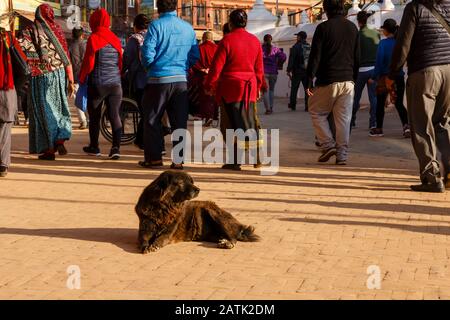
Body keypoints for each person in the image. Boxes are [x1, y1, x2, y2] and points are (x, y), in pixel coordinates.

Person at [390, 0, 450, 193]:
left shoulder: (415, 7)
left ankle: (431, 177)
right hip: (449, 70)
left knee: (421, 125)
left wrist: (393, 73)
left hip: (425, 71)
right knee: (443, 122)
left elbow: (403, 44)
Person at [139, 0, 199, 169]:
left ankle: (154, 158)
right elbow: (195, 54)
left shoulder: (156, 26)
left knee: (152, 119)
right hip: (180, 80)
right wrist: (183, 67)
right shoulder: (188, 28)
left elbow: (147, 52)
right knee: (179, 122)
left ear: (159, 7)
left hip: (158, 80)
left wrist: (150, 67)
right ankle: (178, 161)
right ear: (175, 7)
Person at [204, 9, 265, 171]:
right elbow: (259, 69)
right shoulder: (255, 41)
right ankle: (257, 156)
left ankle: (235, 161)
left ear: (230, 23)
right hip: (249, 87)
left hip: (229, 88)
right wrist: (259, 86)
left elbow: (216, 67)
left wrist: (209, 85)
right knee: (250, 122)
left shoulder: (227, 40)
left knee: (229, 125)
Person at [306, 0, 360, 166]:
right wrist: (354, 79)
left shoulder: (323, 28)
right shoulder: (353, 28)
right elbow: (358, 57)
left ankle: (328, 145)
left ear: (326, 10)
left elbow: (315, 56)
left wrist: (309, 79)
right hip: (348, 80)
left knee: (316, 111)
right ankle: (342, 155)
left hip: (327, 79)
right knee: (343, 119)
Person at [20, 4, 74, 161]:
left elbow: (24, 50)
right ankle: (61, 136)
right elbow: (66, 56)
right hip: (59, 73)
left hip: (41, 75)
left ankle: (49, 148)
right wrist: (70, 79)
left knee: (44, 112)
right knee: (59, 107)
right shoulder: (57, 29)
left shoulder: (31, 28)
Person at [79, 8, 123, 160]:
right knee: (114, 115)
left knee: (95, 116)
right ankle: (116, 148)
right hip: (115, 84)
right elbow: (120, 63)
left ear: (94, 21)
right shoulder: (116, 39)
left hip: (98, 84)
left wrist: (82, 78)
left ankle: (94, 147)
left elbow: (88, 63)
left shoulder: (94, 38)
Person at [370, 19, 409, 138]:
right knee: (399, 103)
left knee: (380, 104)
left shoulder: (383, 44)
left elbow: (379, 62)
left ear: (386, 30)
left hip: (384, 78)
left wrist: (374, 76)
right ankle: (406, 127)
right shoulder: (400, 43)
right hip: (398, 76)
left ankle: (379, 128)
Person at [123, 14, 150, 150]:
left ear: (135, 26)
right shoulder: (152, 36)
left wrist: (123, 70)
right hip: (154, 78)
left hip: (140, 80)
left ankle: (141, 140)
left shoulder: (134, 39)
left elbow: (126, 58)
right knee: (149, 110)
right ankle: (142, 139)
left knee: (145, 111)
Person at [0, 28, 24, 177]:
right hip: (7, 89)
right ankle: (2, 164)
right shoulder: (8, 38)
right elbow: (23, 66)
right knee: (5, 130)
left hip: (8, 88)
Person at [351, 11, 379, 131]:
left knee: (355, 98)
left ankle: (351, 121)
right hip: (373, 69)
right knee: (373, 98)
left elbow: (354, 55)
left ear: (358, 21)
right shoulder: (376, 34)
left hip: (361, 70)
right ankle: (373, 123)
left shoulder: (357, 35)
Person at [189, 31, 218, 125]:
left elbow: (193, 62)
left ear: (203, 38)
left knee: (203, 97)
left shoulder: (198, 48)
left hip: (201, 76)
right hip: (214, 76)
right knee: (213, 96)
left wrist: (202, 69)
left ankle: (206, 116)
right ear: (212, 38)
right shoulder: (216, 48)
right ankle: (213, 115)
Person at [69, 27, 88, 130]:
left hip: (76, 76)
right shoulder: (86, 44)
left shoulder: (71, 47)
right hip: (87, 75)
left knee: (78, 99)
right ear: (82, 35)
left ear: (72, 35)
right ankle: (90, 120)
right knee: (89, 98)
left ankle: (83, 121)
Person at [262, 34, 286, 115]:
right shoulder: (275, 49)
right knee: (272, 90)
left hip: (264, 72)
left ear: (264, 40)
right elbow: (283, 56)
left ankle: (268, 109)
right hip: (273, 72)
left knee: (265, 91)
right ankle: (271, 107)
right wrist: (279, 64)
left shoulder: (261, 49)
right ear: (271, 40)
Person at [287, 31, 310, 112]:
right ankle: (308, 106)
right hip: (307, 71)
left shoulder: (295, 47)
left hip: (297, 71)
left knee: (294, 89)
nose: (297, 38)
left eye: (297, 36)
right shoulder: (308, 46)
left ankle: (293, 105)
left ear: (300, 37)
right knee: (307, 89)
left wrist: (288, 70)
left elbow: (291, 59)